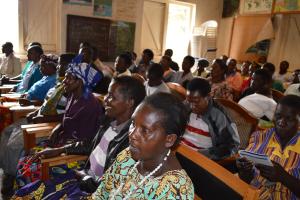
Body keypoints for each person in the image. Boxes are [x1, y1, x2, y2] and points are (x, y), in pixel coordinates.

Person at [13, 76, 146, 199]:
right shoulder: (109, 121)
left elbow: (108, 184)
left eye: (112, 97)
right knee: (26, 191)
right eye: (107, 94)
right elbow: (89, 144)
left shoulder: (131, 140)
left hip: (91, 191)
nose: (105, 99)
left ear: (129, 102)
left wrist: (83, 176)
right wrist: (59, 150)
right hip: (83, 177)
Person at [92, 92, 194, 199]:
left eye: (145, 130)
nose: (132, 134)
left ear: (169, 139)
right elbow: (101, 195)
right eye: (133, 124)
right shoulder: (127, 157)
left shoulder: (175, 191)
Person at [236, 95, 300, 199]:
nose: (281, 122)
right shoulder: (259, 137)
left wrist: (283, 177)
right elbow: (247, 180)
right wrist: (244, 171)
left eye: (289, 119)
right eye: (278, 116)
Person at [182, 78, 240, 160]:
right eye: (189, 100)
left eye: (196, 101)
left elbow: (232, 145)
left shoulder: (219, 115)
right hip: (180, 150)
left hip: (201, 158)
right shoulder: (186, 105)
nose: (191, 106)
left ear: (208, 96)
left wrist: (203, 154)